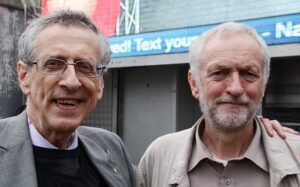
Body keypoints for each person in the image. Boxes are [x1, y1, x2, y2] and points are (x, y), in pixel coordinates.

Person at [138, 22, 300, 187]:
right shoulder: (158, 157)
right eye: (219, 73)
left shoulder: (296, 155)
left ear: (264, 84)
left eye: (248, 73)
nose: (236, 88)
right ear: (194, 83)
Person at [0, 10, 135, 187]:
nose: (72, 82)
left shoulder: (112, 147)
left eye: (84, 66)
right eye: (54, 63)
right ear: (25, 76)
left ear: (100, 84)